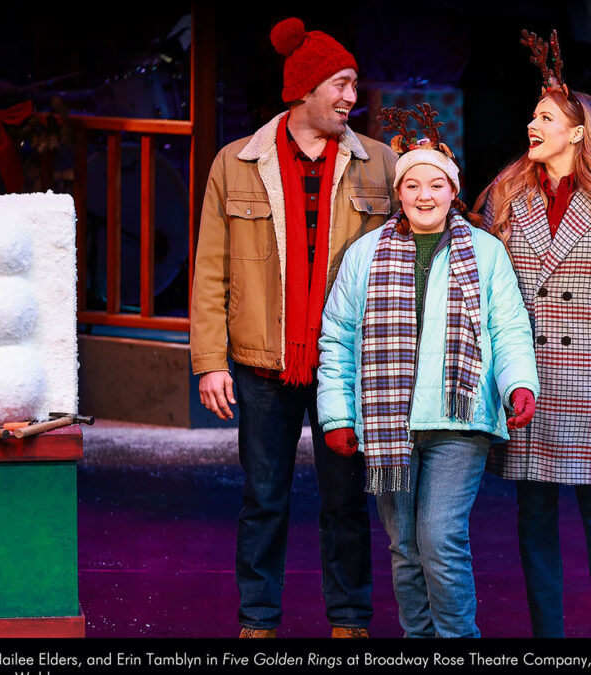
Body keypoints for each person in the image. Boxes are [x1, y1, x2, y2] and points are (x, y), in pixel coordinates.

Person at [190, 17, 397, 638]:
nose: (351, 96)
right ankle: (258, 622)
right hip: (261, 361)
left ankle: (350, 622)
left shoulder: (380, 164)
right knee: (263, 500)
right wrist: (210, 361)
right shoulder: (236, 163)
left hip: (344, 362)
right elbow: (210, 269)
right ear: (304, 88)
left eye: (354, 83)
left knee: (346, 501)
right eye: (340, 83)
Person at [316, 105, 539, 638]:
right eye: (412, 185)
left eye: (436, 185)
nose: (424, 195)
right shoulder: (365, 254)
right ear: (399, 193)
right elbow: (338, 338)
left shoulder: (485, 252)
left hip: (459, 421)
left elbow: (509, 327)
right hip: (389, 422)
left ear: (452, 191)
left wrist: (519, 383)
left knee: (440, 539)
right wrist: (336, 415)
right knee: (405, 547)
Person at [475, 29, 591, 638]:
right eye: (532, 116)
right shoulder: (507, 192)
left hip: (590, 373)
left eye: (545, 117)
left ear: (577, 132)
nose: (532, 124)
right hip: (527, 373)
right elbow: (485, 279)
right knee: (534, 512)